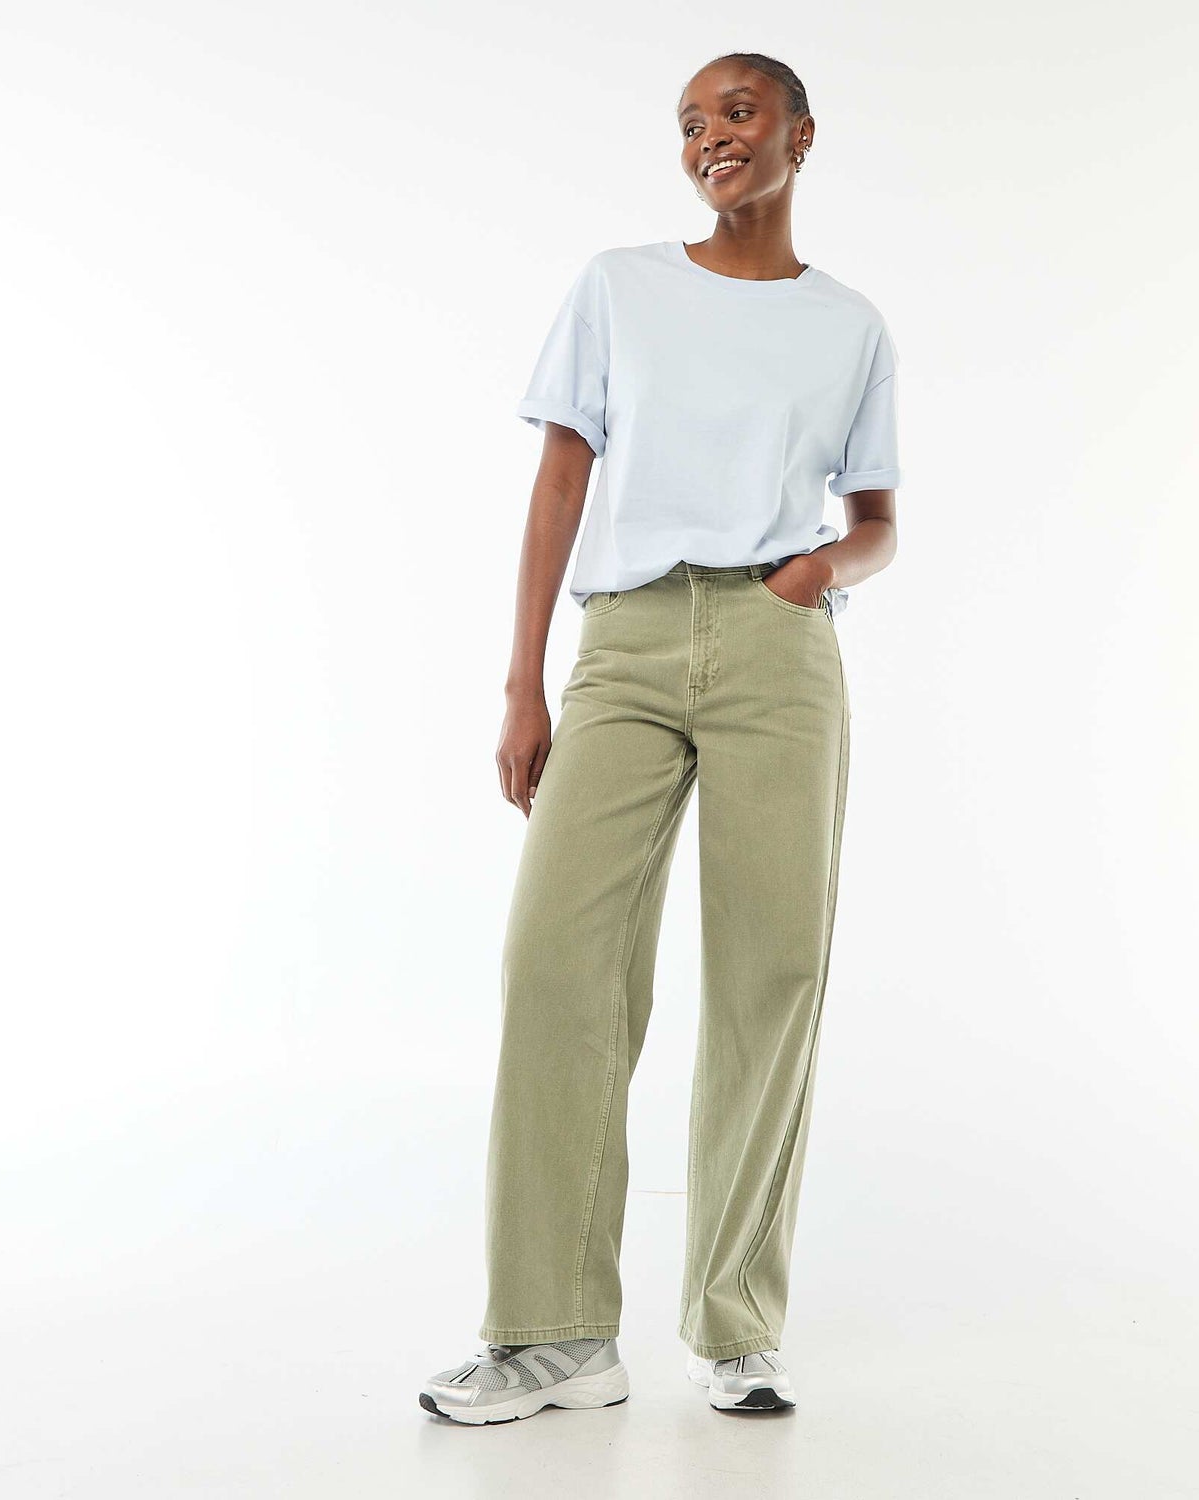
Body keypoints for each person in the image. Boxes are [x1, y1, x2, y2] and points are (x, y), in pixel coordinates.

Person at [419, 51, 901, 1425]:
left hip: (779, 647)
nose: (711, 139)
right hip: (623, 642)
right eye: (691, 124)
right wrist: (524, 685)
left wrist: (819, 573)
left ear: (802, 132)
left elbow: (876, 520)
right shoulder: (619, 286)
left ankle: (738, 1324)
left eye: (738, 113)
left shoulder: (851, 326)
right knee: (555, 961)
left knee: (771, 974)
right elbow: (560, 476)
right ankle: (555, 1335)